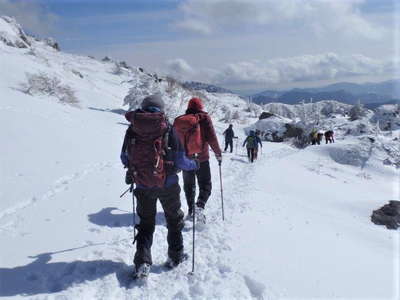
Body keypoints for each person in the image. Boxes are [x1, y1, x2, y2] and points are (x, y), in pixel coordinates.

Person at [120, 94, 198, 278]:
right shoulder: (168, 129)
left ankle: (142, 262)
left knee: (146, 224)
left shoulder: (132, 129)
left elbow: (124, 157)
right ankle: (175, 256)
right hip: (168, 184)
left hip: (142, 185)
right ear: (160, 109)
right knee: (174, 220)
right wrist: (194, 164)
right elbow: (180, 160)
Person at [177, 97, 222, 221]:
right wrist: (218, 153)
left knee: (189, 185)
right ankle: (200, 205)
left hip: (186, 160)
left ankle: (191, 210)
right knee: (205, 185)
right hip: (201, 158)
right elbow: (212, 137)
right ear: (201, 107)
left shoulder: (181, 120)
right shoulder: (204, 118)